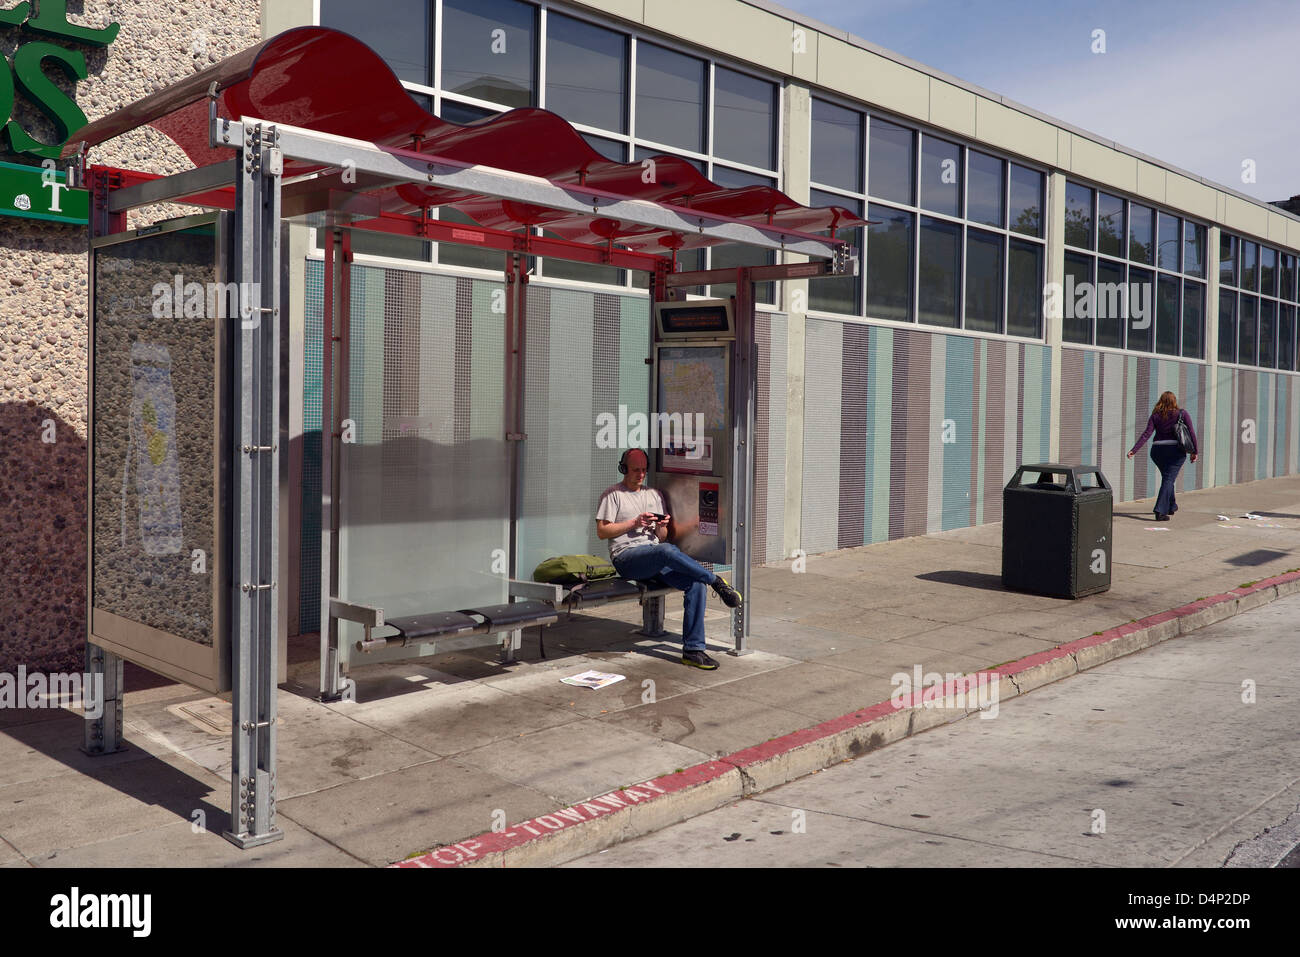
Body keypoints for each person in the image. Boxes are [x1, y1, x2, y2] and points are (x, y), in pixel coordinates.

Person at [595, 448, 742, 670]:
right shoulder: (613, 494)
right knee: (666, 551)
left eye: (644, 470)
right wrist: (634, 523)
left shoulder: (654, 495)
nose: (640, 474)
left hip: (654, 556)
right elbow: (602, 531)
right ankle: (717, 582)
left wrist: (661, 527)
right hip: (627, 558)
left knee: (695, 583)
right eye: (635, 470)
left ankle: (693, 650)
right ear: (623, 469)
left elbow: (662, 538)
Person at [1127, 391, 1199, 521]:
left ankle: (1171, 506)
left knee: (1168, 478)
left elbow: (1147, 434)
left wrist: (1134, 450)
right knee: (1168, 479)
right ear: (1174, 401)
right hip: (1175, 452)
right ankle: (1159, 511)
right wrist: (1195, 451)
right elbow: (1192, 432)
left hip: (1157, 452)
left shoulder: (1155, 416)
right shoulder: (1182, 414)